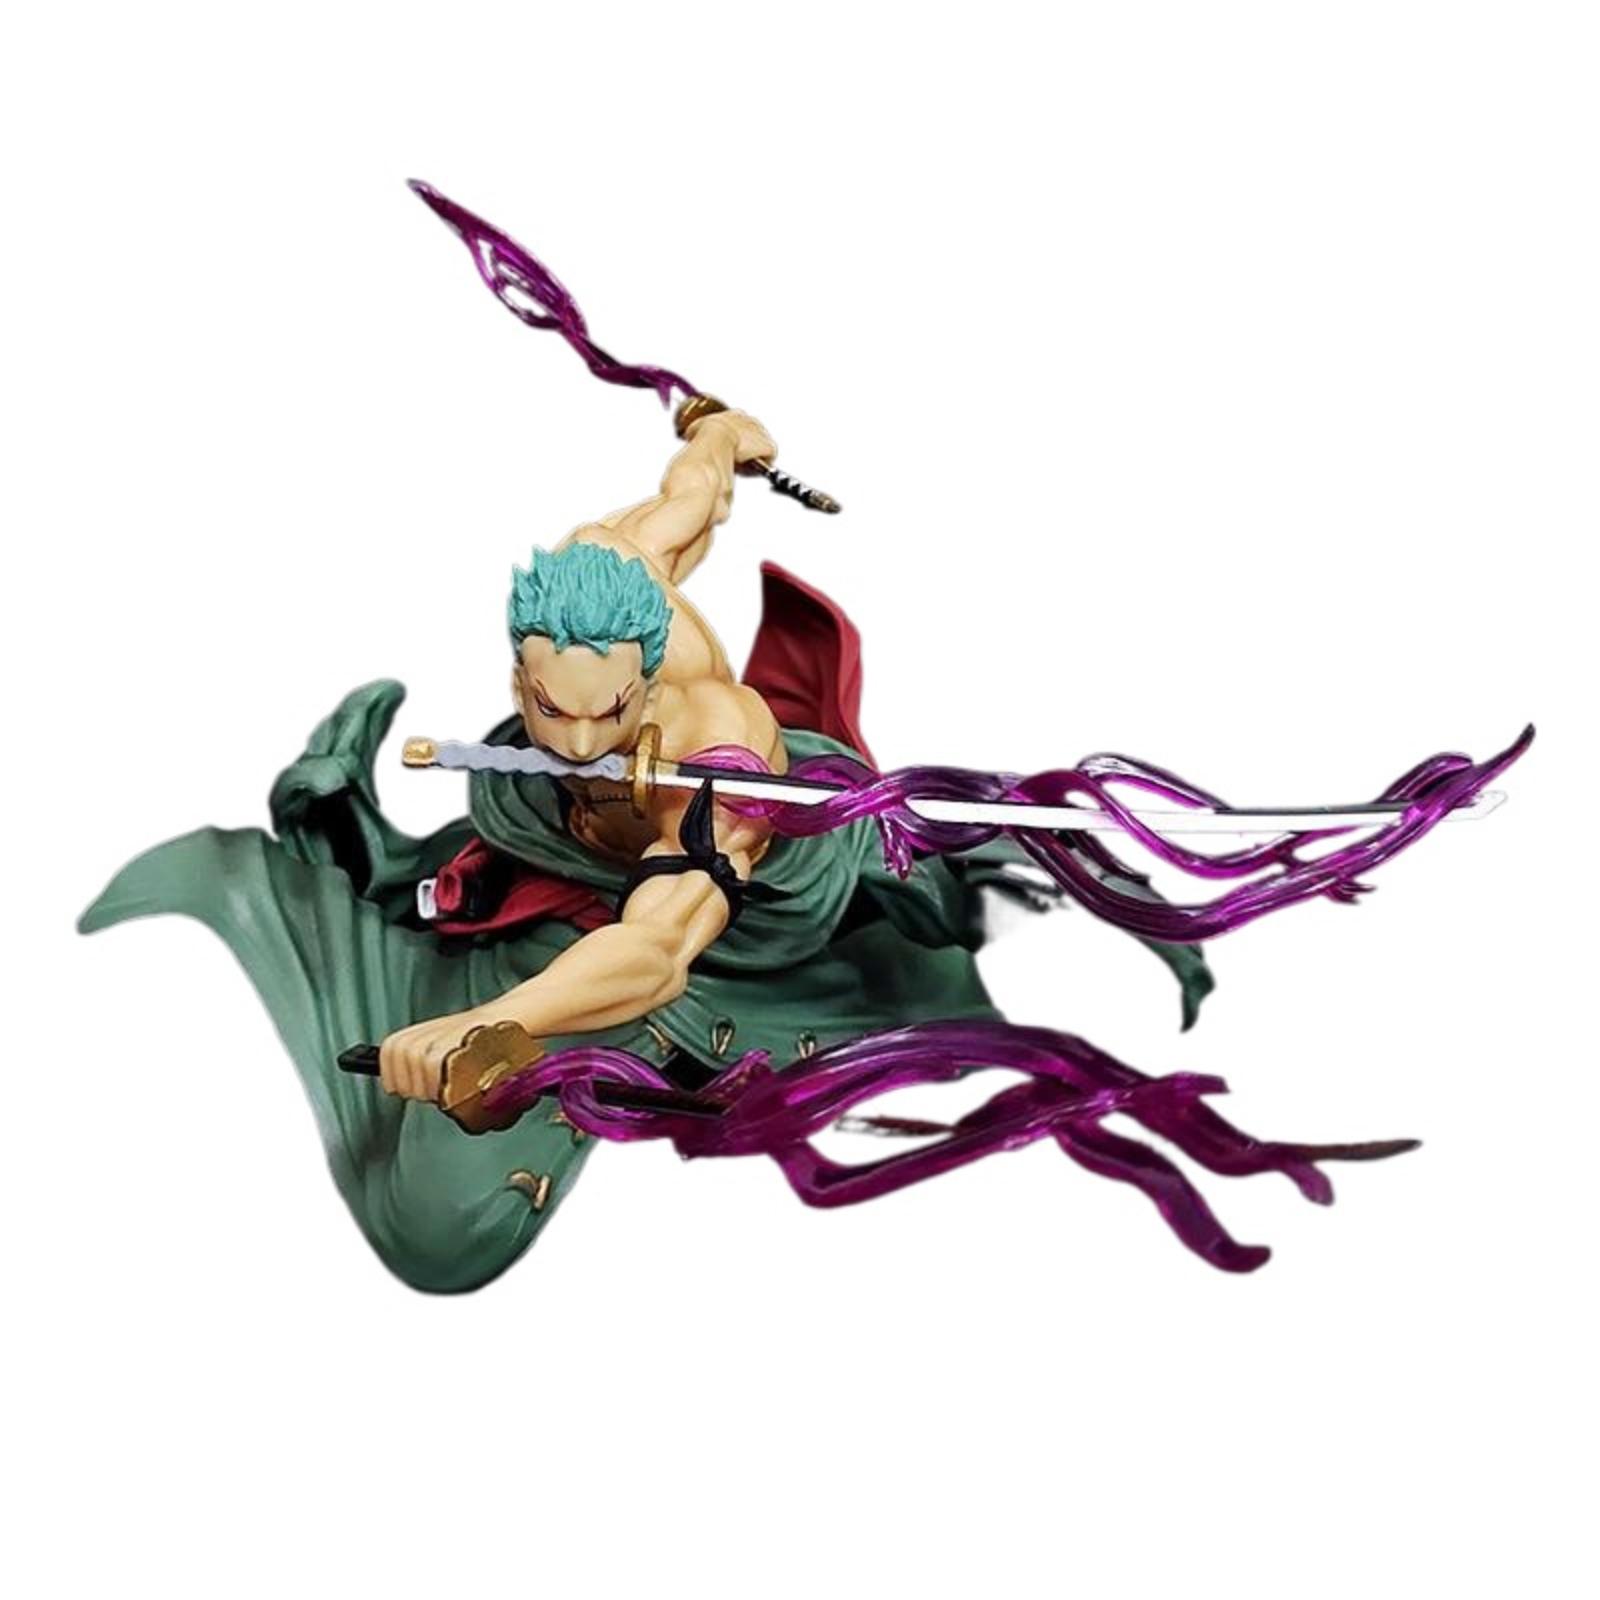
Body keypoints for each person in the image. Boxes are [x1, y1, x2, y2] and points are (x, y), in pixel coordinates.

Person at [83, 410, 1174, 1291]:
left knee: (443, 1222)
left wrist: (495, 1025)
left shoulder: (718, 746)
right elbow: (690, 498)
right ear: (522, 670)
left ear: (647, 673)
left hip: (724, 912)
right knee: (433, 1217)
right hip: (569, 860)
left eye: (605, 715)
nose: (573, 743)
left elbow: (656, 951)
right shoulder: (605, 563)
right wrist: (716, 433)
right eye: (548, 709)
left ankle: (954, 904)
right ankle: (350, 870)